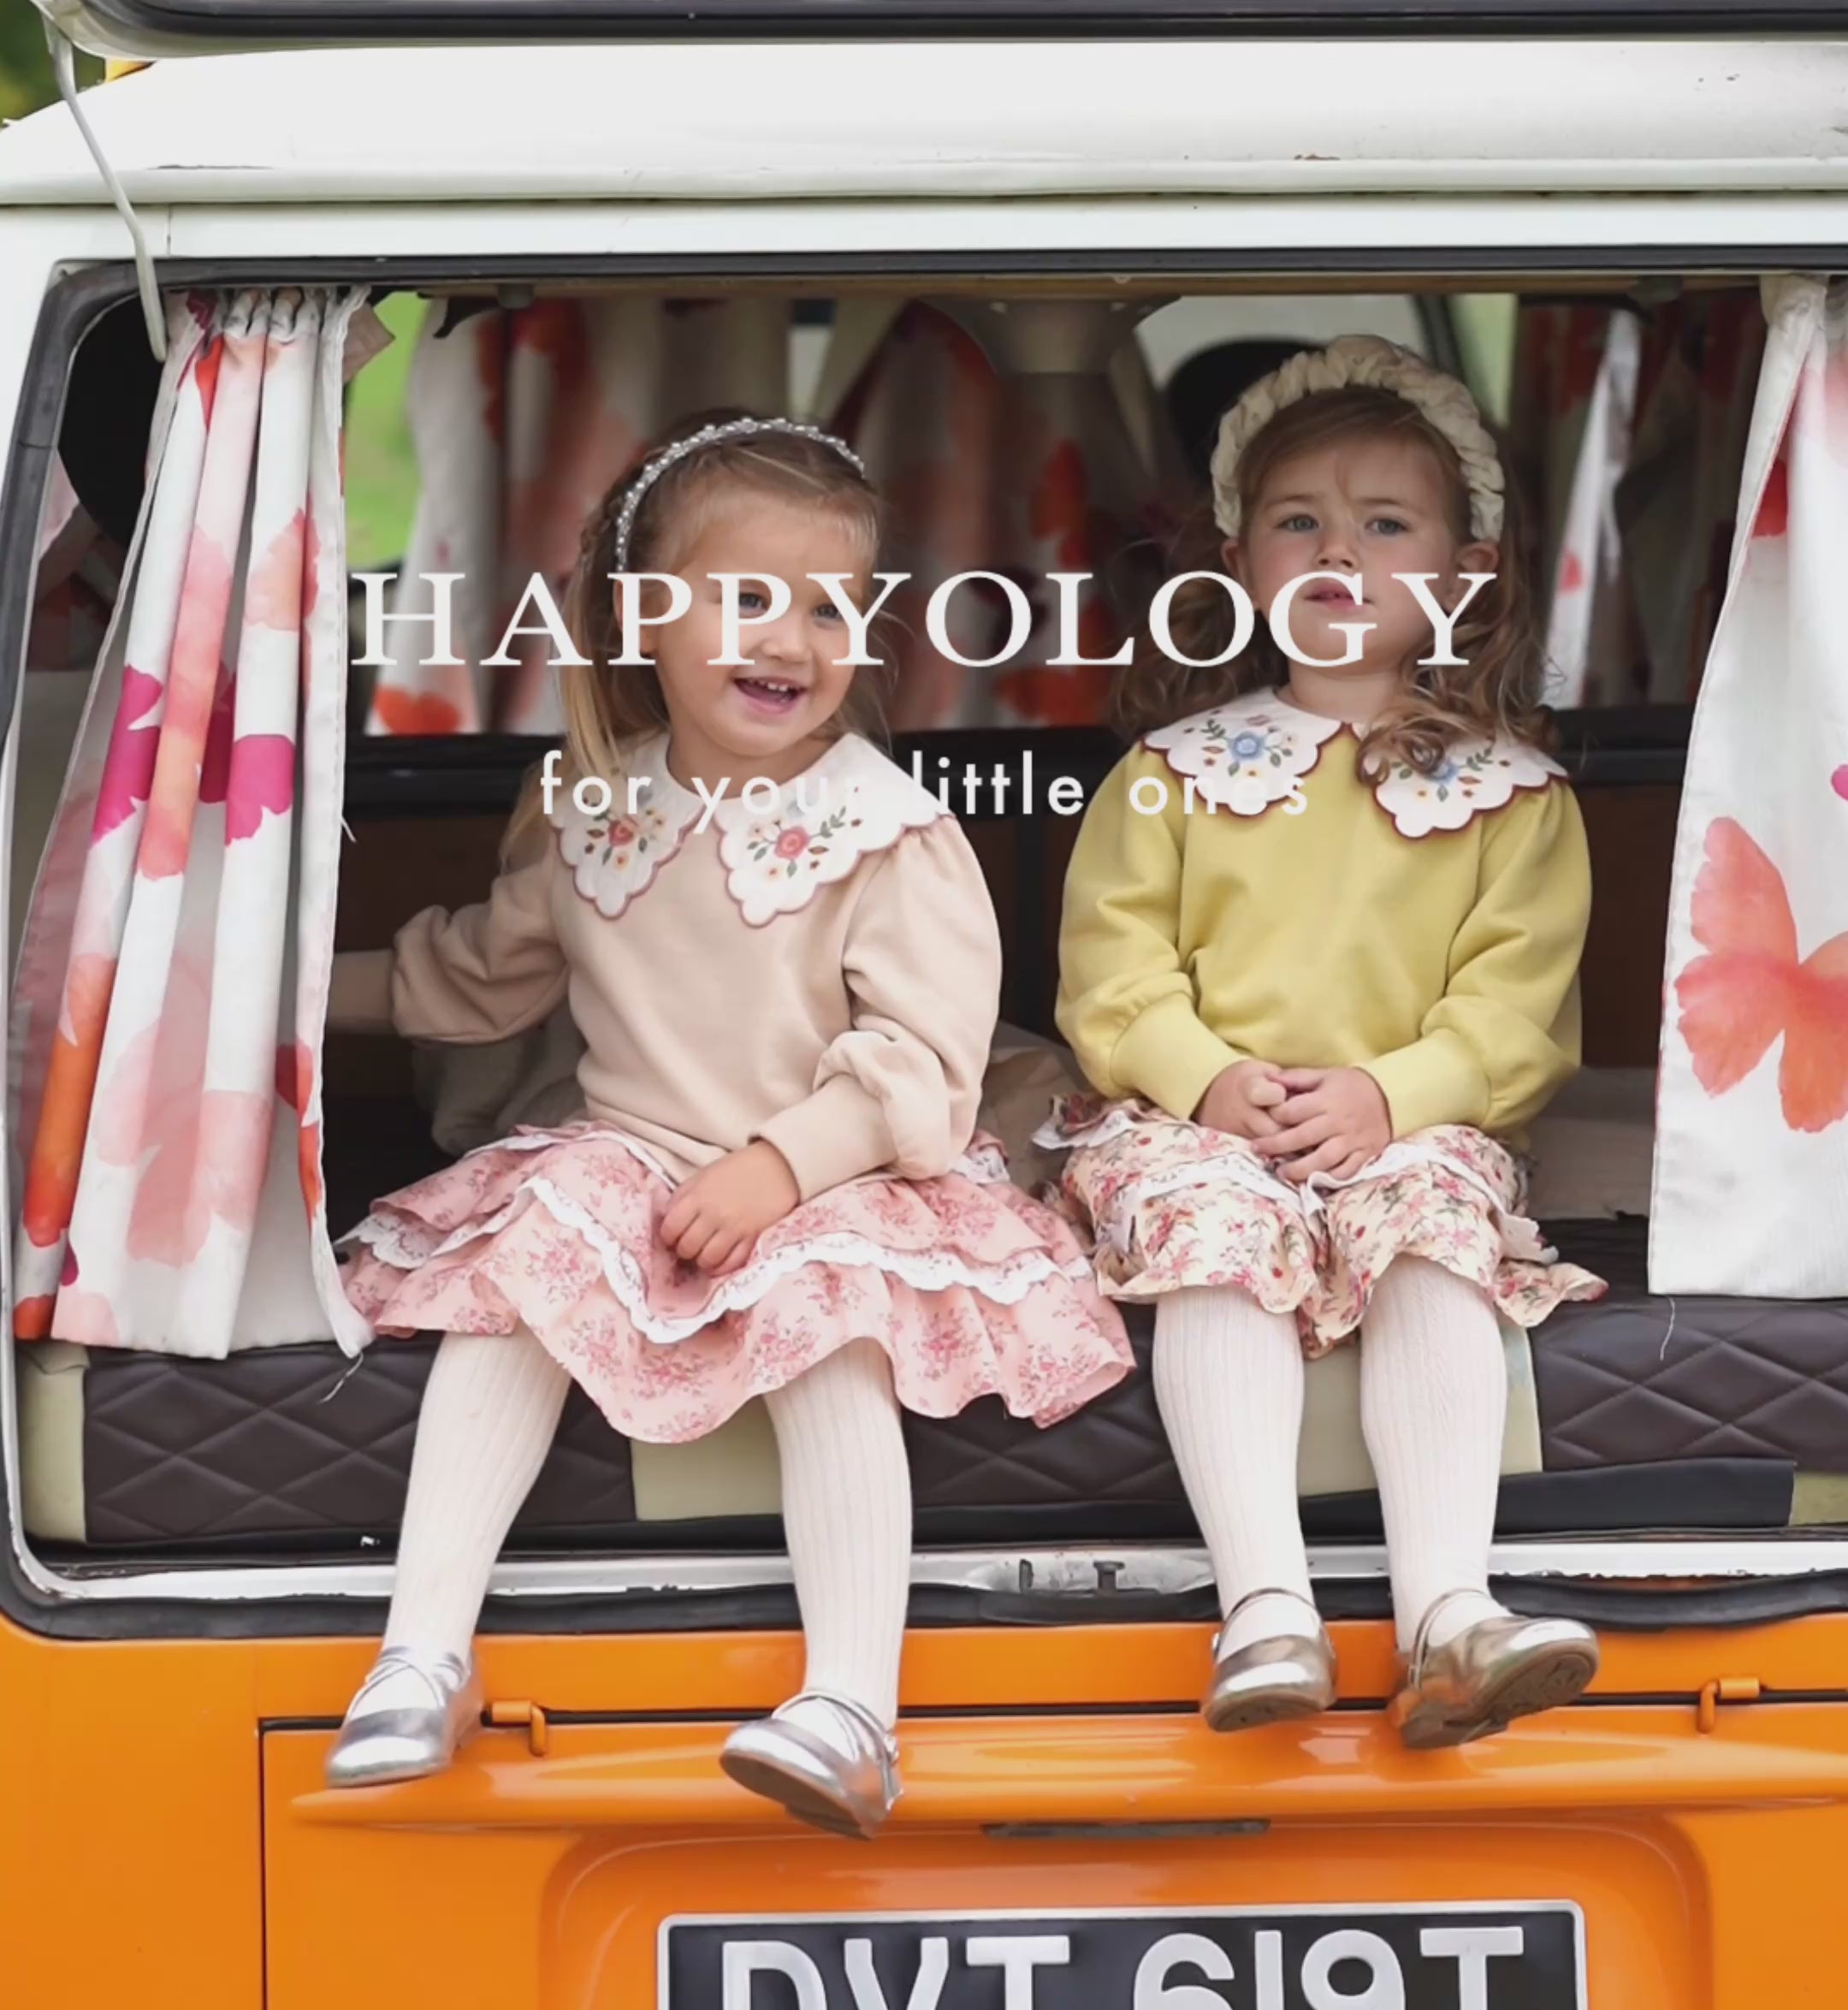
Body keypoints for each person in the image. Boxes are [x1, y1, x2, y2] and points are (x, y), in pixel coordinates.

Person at [323, 412, 1133, 1830]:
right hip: (638, 1156)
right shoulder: (593, 809)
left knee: (831, 1332)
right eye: (750, 597)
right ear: (646, 615)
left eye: (831, 607)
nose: (792, 639)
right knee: (520, 1275)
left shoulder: (887, 828)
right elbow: (474, 975)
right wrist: (277, 1003)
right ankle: (422, 1651)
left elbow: (922, 1061)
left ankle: (852, 1706)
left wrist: (781, 1165)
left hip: (837, 1167)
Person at [1044, 337, 1607, 1750]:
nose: (1339, 551)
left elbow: (1515, 1012)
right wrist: (1206, 1082)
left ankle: (1449, 1614)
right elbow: (1112, 976)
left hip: (1404, 1125)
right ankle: (1266, 1608)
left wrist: (1388, 1097)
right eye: (1300, 520)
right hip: (1197, 1126)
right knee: (1211, 1234)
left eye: (1386, 524)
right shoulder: (1168, 776)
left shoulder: (1517, 800)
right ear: (1242, 563)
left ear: (1464, 575)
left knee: (1434, 1229)